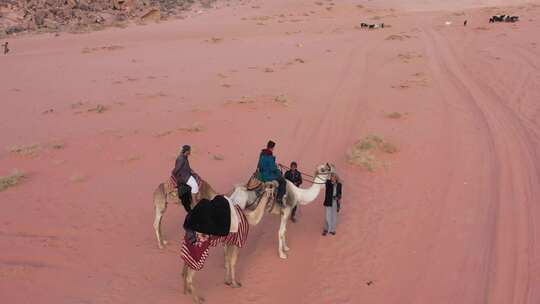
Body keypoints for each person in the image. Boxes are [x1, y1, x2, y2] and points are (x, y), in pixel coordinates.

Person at [172, 145, 200, 212]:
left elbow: (187, 167)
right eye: (189, 150)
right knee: (195, 185)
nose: (190, 152)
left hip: (186, 174)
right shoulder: (181, 159)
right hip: (184, 177)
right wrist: (175, 175)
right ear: (186, 151)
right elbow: (177, 169)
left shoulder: (185, 157)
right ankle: (194, 201)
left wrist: (192, 172)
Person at [257, 140, 286, 206]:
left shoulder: (262, 154)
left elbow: (259, 165)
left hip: (261, 175)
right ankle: (279, 198)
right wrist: (279, 172)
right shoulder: (269, 156)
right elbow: (273, 168)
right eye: (273, 148)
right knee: (283, 181)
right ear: (272, 148)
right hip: (267, 176)